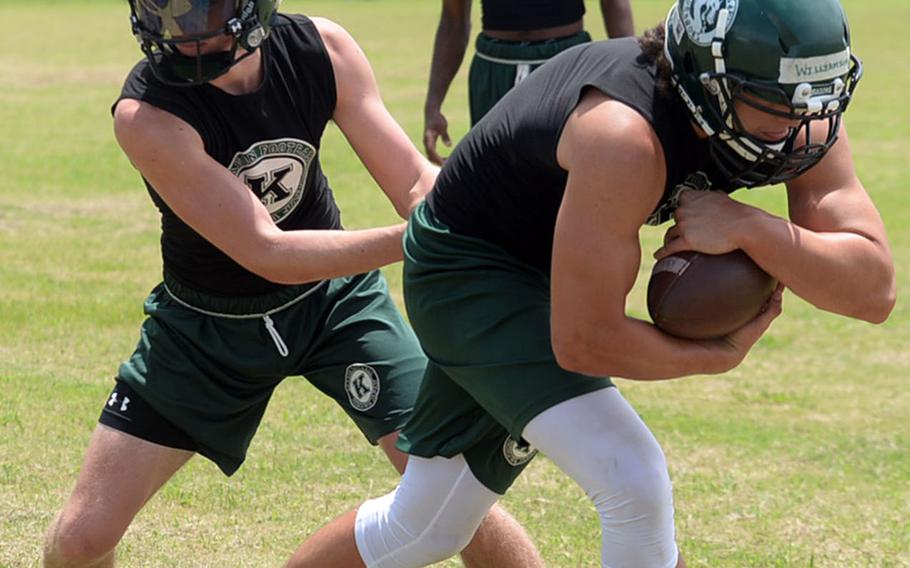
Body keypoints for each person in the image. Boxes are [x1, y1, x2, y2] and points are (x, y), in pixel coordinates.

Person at [290, 0, 897, 566]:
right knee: (631, 476)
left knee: (423, 526)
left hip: (544, 266)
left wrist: (751, 227)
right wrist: (715, 357)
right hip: (469, 273)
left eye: (818, 97)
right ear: (707, 81)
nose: (802, 120)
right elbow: (585, 341)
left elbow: (874, 291)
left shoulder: (802, 115)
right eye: (777, 100)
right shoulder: (623, 134)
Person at [42, 1, 543, 567]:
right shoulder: (146, 114)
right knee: (82, 539)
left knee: (452, 487)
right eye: (165, 9)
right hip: (206, 329)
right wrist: (424, 237)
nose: (182, 29)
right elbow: (268, 251)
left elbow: (412, 180)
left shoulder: (320, 49)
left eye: (201, 7)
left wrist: (476, 219)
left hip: (335, 301)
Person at [423, 0, 635, 164]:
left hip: (564, 64)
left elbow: (614, 3)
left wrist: (629, 86)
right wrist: (433, 105)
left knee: (562, 179)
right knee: (491, 187)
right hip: (494, 67)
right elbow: (454, 20)